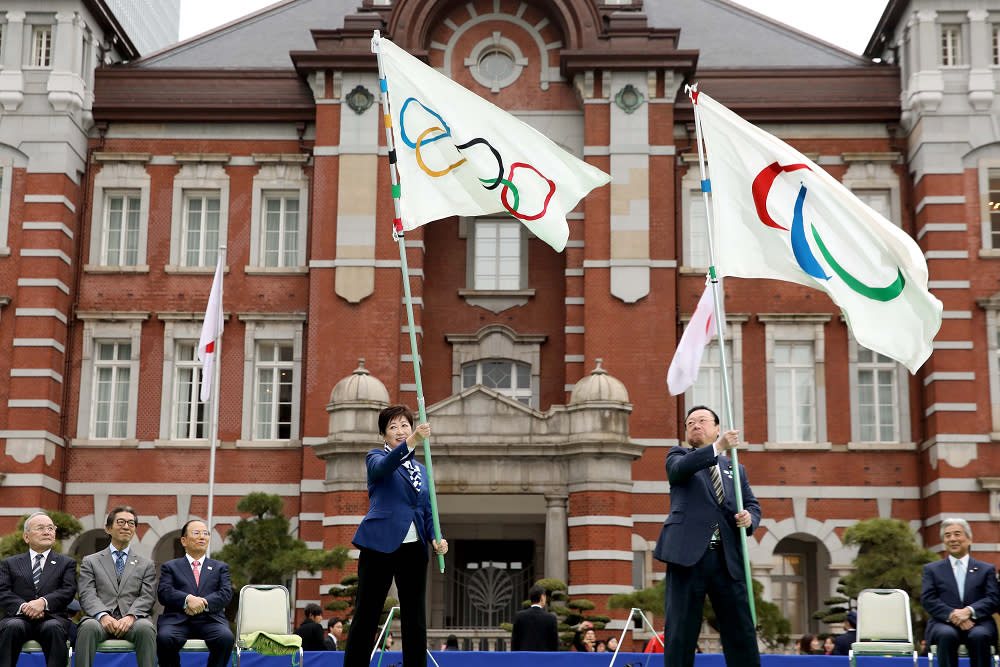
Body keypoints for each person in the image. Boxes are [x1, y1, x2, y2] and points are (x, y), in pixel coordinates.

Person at [653, 405, 762, 667]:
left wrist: (749, 518)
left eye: (702, 421)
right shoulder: (678, 456)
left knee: (741, 631)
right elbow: (679, 470)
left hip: (727, 559)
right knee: (681, 631)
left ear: (716, 428)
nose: (695, 426)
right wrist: (717, 448)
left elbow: (752, 504)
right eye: (690, 423)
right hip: (688, 557)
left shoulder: (736, 468)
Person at [343, 405, 448, 667]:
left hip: (413, 549)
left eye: (405, 425)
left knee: (415, 618)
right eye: (393, 427)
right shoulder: (376, 457)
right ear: (383, 435)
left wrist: (436, 538)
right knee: (367, 614)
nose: (401, 431)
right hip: (379, 545)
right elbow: (385, 468)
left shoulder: (422, 471)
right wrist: (413, 442)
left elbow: (425, 509)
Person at [77, 507, 157, 667]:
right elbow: (87, 593)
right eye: (121, 522)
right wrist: (103, 615)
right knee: (87, 627)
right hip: (99, 621)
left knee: (146, 628)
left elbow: (147, 596)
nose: (126, 527)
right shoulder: (91, 561)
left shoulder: (146, 564)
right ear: (108, 528)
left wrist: (131, 617)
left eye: (131, 523)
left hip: (132, 621)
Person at [0, 512, 78, 667]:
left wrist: (43, 602)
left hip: (52, 617)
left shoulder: (66, 563)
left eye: (50, 528)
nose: (47, 531)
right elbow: (3, 591)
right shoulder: (10, 563)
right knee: (12, 627)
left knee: (54, 628)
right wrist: (24, 607)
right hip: (18, 617)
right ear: (26, 537)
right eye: (40, 528)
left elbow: (68, 590)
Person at [921, 518, 999, 667]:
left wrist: (969, 611)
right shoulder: (932, 569)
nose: (952, 539)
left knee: (979, 635)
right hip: (943, 622)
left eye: (957, 534)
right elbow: (928, 599)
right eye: (947, 535)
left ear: (969, 539)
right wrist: (953, 615)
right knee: (947, 634)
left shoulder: (986, 569)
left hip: (979, 622)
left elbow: (993, 599)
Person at [156, 519, 234, 667]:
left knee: (225, 638)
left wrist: (202, 603)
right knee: (165, 638)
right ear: (184, 541)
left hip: (210, 620)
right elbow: (164, 592)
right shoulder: (170, 566)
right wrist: (187, 599)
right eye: (196, 533)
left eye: (205, 533)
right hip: (177, 621)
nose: (202, 537)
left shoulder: (220, 567)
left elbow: (225, 593)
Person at [511, 584, 558, 651]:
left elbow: (514, 643)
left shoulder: (519, 616)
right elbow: (554, 645)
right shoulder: (551, 618)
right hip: (544, 659)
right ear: (542, 597)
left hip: (525, 658)